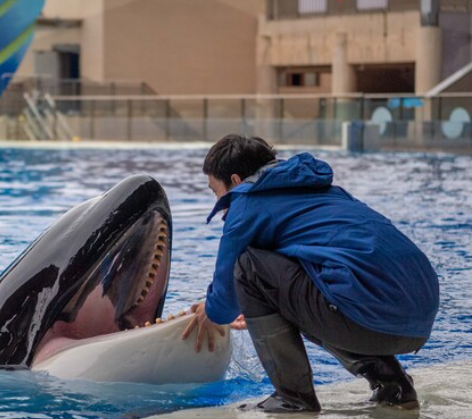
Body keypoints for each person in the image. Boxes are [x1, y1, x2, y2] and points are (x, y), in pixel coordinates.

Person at [182, 134, 439, 413]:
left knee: (248, 266)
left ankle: (293, 399)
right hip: (419, 322)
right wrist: (266, 305)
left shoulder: (246, 202)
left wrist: (212, 308)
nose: (219, 201)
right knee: (326, 280)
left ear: (234, 181)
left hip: (368, 323)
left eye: (214, 191)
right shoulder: (325, 192)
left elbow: (225, 301)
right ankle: (394, 386)